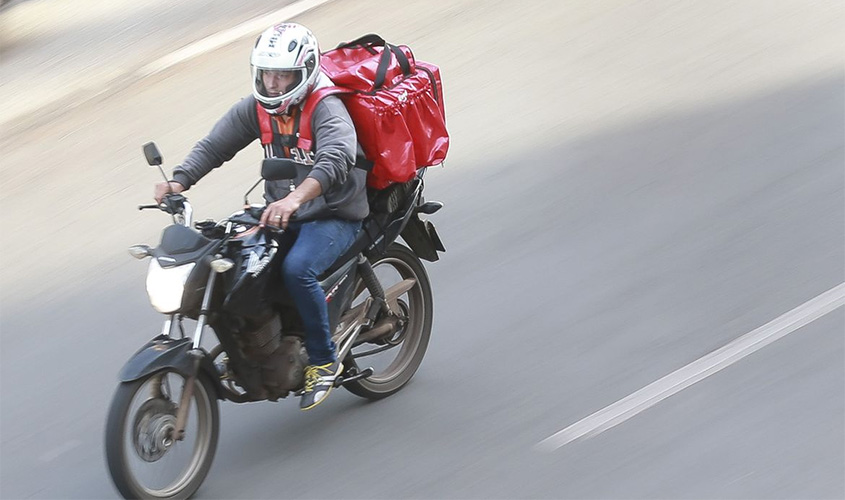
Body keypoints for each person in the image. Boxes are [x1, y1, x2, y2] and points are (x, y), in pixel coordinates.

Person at [153, 22, 368, 410]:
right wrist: (179, 182)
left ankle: (323, 359)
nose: (272, 83)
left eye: (283, 74)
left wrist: (295, 199)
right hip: (279, 210)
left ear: (303, 73)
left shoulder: (326, 107)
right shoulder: (258, 108)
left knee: (296, 269)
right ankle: (257, 344)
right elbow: (217, 144)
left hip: (333, 212)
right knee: (232, 260)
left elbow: (336, 159)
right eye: (267, 73)